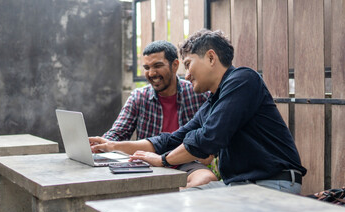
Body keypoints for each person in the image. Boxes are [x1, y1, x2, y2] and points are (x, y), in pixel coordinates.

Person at [90, 29, 307, 194]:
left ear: (211, 58)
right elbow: (174, 138)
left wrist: (163, 160)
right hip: (241, 185)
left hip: (271, 183)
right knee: (172, 206)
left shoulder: (244, 79)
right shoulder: (213, 101)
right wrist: (113, 146)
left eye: (188, 64)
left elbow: (208, 138)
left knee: (184, 206)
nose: (186, 75)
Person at [98, 40, 218, 188]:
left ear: (175, 65)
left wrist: (209, 154)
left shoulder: (198, 94)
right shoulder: (138, 97)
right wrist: (101, 146)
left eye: (157, 66)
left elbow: (213, 133)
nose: (151, 73)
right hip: (146, 162)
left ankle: (169, 200)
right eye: (147, 67)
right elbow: (117, 133)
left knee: (207, 179)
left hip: (186, 162)